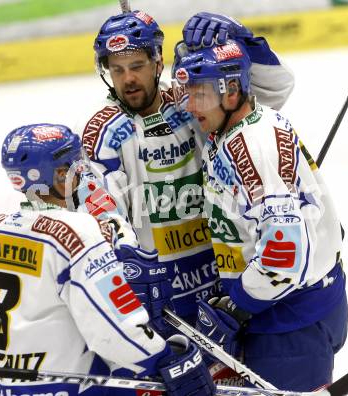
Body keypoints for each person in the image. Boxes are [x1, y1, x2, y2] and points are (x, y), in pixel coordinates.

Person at [0, 123, 216, 396]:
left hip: (6, 388)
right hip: (76, 388)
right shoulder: (76, 232)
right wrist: (164, 357)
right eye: (73, 166)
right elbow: (113, 328)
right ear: (58, 176)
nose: (80, 173)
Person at [74, 9, 295, 329]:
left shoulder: (190, 99)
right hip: (162, 298)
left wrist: (245, 39)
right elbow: (101, 208)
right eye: (118, 70)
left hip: (228, 286)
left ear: (157, 62)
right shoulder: (102, 132)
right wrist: (128, 263)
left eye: (136, 66)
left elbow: (277, 90)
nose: (128, 79)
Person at [171, 39, 348, 392]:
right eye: (188, 93)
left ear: (232, 92)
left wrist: (240, 303)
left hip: (290, 320)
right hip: (289, 310)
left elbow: (284, 252)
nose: (191, 105)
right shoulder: (237, 128)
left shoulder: (256, 147)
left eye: (200, 94)